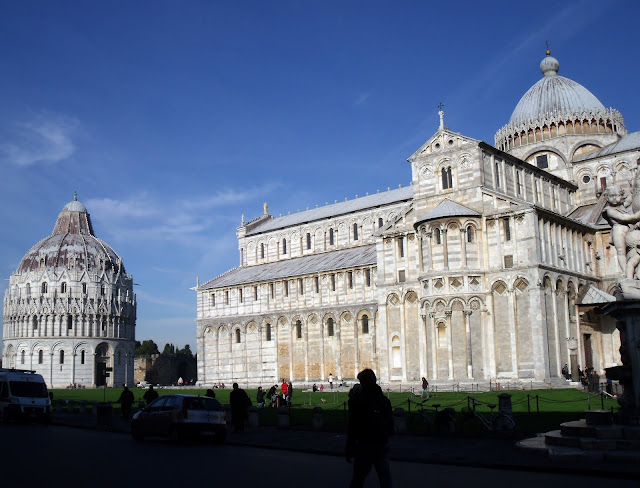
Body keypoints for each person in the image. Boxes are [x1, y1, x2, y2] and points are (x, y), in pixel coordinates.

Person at [346, 369, 393, 488]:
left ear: (363, 383)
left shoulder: (359, 401)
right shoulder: (384, 400)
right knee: (385, 479)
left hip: (365, 445)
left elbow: (353, 426)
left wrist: (350, 447)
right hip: (382, 444)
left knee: (358, 479)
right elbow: (390, 424)